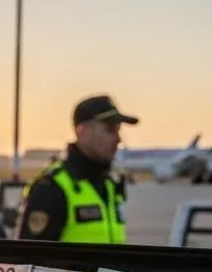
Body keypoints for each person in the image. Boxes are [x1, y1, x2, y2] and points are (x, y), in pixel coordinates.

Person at [16, 95, 138, 244]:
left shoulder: (110, 184)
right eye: (110, 130)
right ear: (82, 131)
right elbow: (30, 258)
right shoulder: (51, 188)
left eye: (118, 131)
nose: (118, 139)